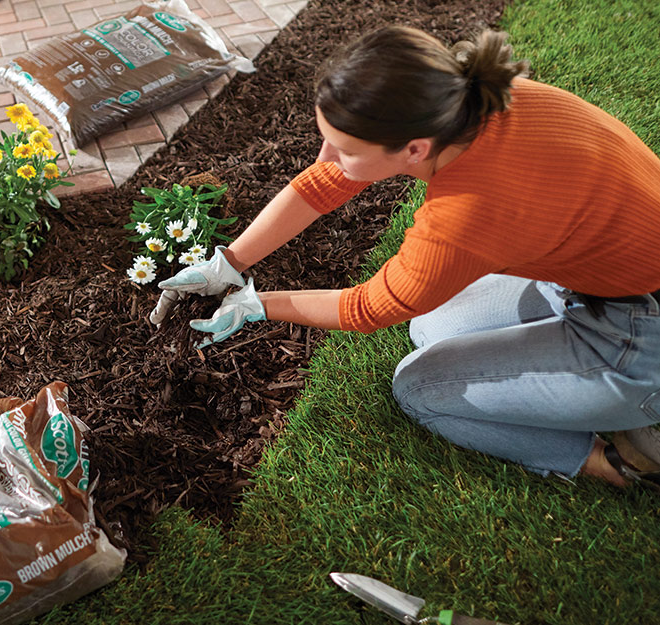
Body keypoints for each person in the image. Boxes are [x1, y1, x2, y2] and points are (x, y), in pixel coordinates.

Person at [149, 25, 660, 491]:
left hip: (637, 332)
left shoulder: (464, 216)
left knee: (419, 388)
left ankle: (615, 457)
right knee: (433, 327)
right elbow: (326, 182)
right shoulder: (480, 102)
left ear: (415, 149)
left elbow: (369, 307)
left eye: (342, 147)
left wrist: (256, 304)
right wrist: (229, 260)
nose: (326, 156)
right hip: (601, 281)